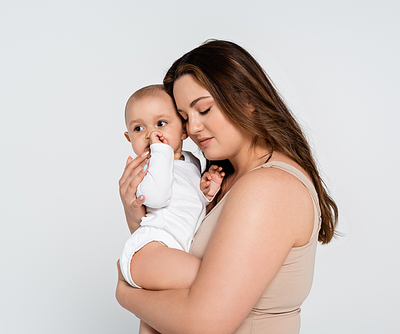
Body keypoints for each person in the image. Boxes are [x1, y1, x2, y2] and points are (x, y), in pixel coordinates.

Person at [116, 40, 338, 334]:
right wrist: (136, 216)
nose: (192, 128)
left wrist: (125, 291)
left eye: (204, 110)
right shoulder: (222, 178)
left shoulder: (268, 188)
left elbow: (204, 324)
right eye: (184, 118)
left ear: (247, 100)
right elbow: (176, 248)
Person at [120, 85, 224, 333]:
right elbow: (155, 197)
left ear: (184, 130)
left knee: (159, 324)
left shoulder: (191, 161)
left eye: (161, 123)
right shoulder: (146, 165)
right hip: (151, 250)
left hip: (175, 251)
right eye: (139, 128)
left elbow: (190, 206)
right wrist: (162, 151)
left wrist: (207, 190)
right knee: (210, 279)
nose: (151, 134)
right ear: (128, 138)